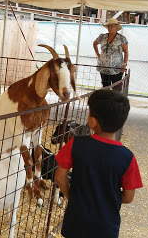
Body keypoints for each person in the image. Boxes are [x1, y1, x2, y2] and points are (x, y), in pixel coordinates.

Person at [54, 89, 143, 238]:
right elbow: (128, 197)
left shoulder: (75, 144)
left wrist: (72, 196)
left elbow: (59, 176)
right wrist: (107, 198)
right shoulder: (127, 157)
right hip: (106, 226)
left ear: (93, 121)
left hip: (76, 221)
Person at [93, 18, 129, 91]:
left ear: (116, 27)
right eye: (109, 26)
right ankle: (106, 101)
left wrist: (124, 64)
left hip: (117, 68)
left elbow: (126, 52)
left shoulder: (122, 38)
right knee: (105, 87)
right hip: (104, 68)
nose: (110, 28)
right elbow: (94, 44)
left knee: (116, 88)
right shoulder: (102, 37)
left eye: (112, 26)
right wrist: (98, 54)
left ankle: (115, 102)